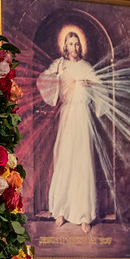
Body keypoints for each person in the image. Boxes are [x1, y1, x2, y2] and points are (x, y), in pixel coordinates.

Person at [36, 31, 105, 234]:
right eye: (71, 44)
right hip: (67, 116)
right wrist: (56, 77)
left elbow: (101, 88)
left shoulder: (86, 66)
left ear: (79, 46)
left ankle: (84, 215)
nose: (74, 47)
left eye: (77, 44)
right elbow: (43, 80)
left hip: (82, 117)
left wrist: (90, 85)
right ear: (65, 46)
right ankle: (61, 210)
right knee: (65, 160)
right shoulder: (60, 64)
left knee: (83, 162)